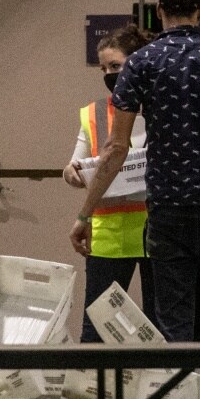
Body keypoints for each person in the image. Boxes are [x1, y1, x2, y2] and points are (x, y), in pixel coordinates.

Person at [70, 0, 200, 348]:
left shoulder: (143, 63)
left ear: (159, 10)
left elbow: (115, 149)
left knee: (174, 323)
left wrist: (85, 213)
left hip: (170, 211)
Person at [63, 23, 156, 343]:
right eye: (104, 68)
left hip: (157, 228)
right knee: (97, 325)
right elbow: (75, 165)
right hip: (108, 231)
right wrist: (72, 172)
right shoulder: (94, 113)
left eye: (116, 66)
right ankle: (91, 391)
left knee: (160, 323)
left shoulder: (163, 106)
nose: (109, 74)